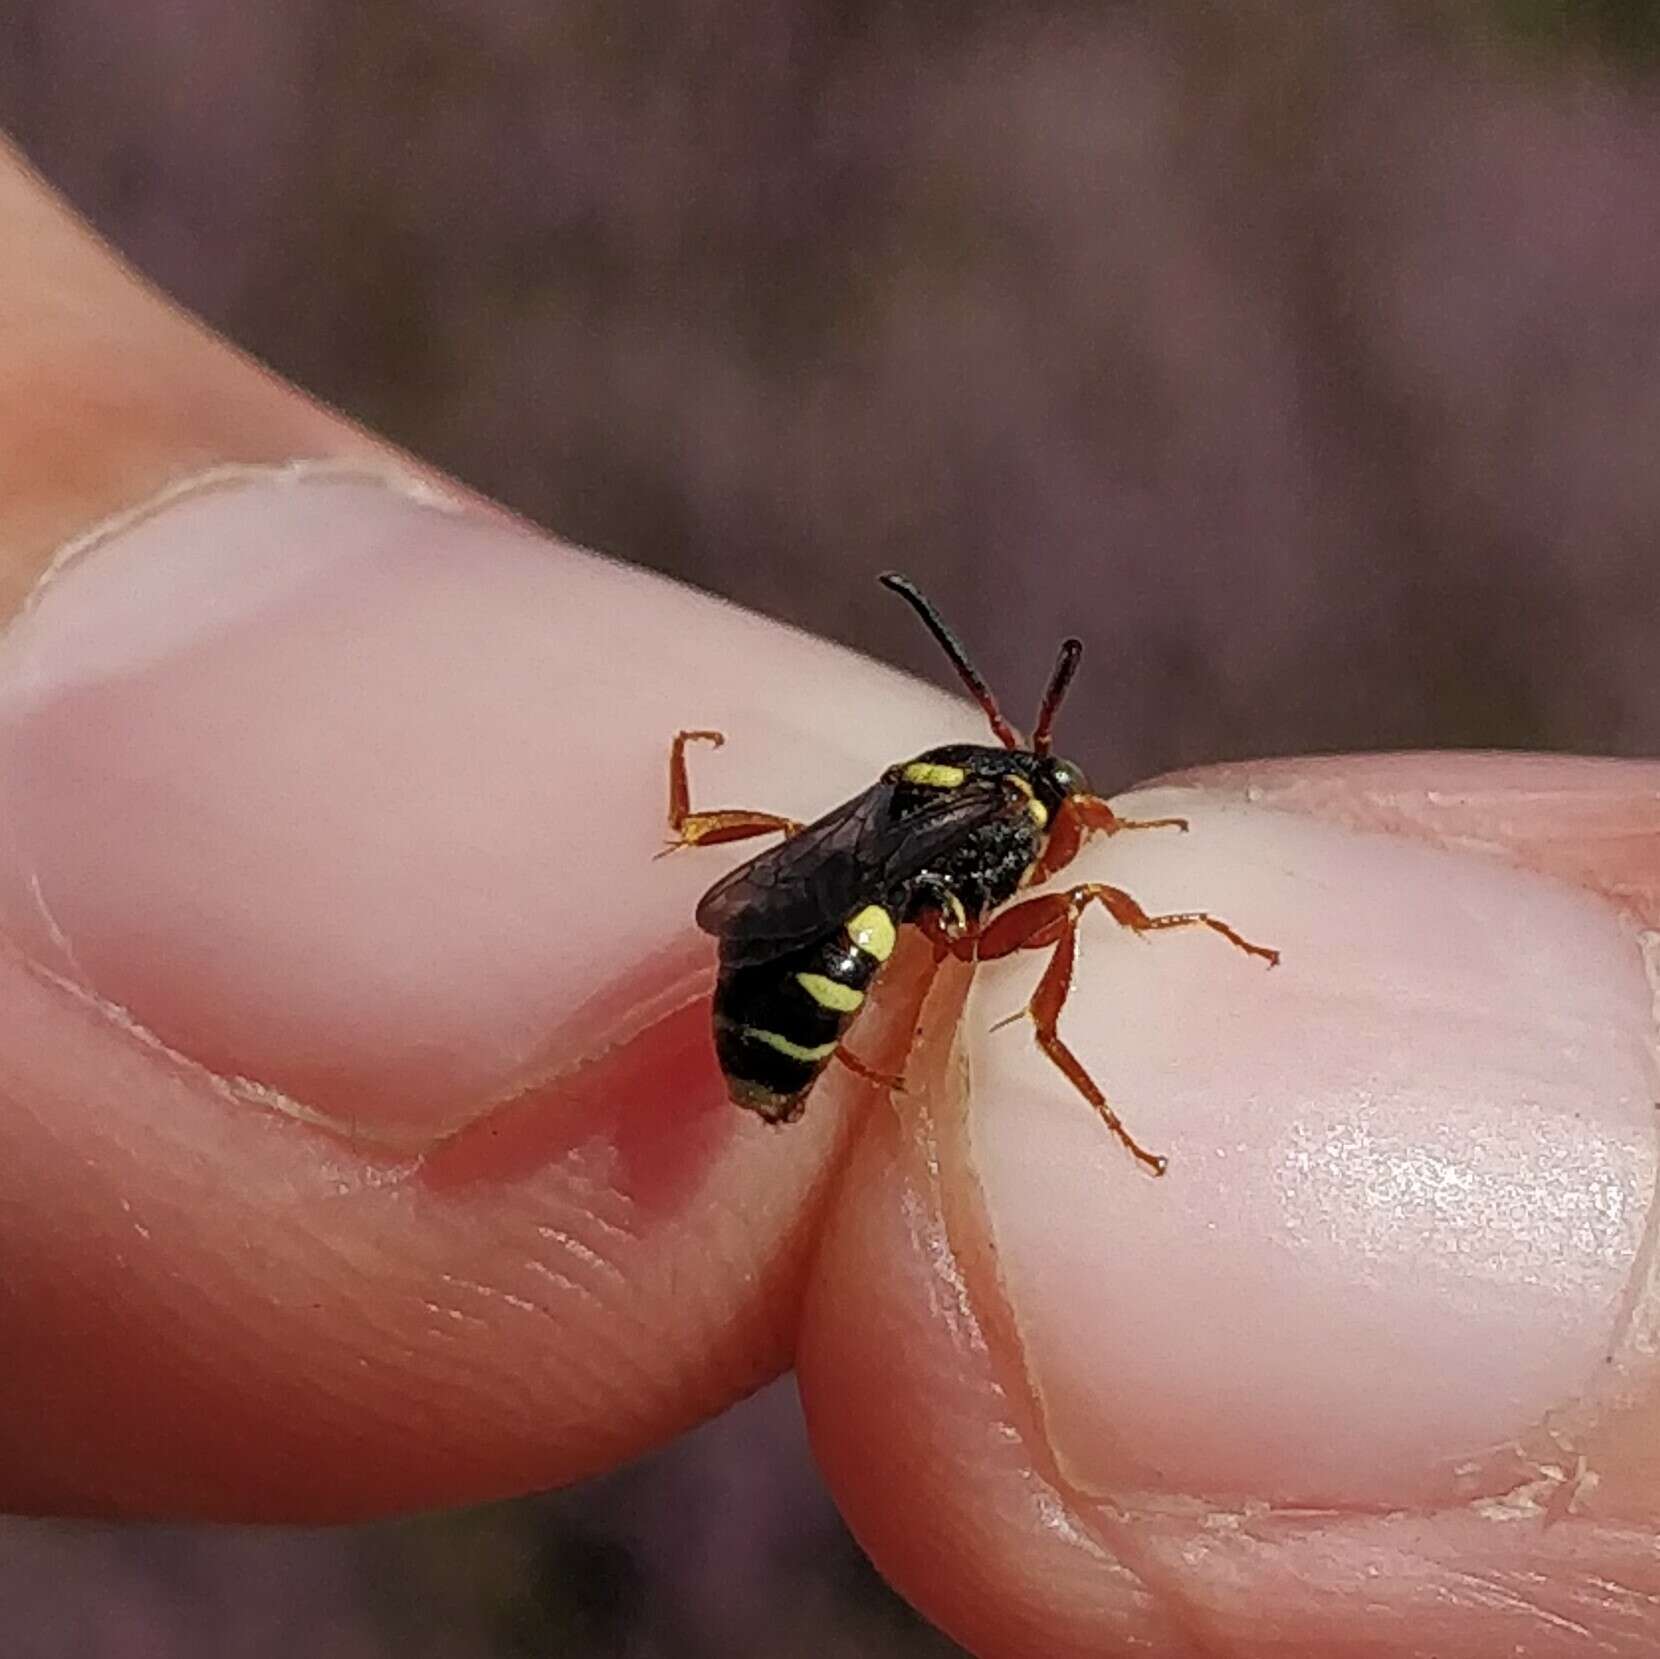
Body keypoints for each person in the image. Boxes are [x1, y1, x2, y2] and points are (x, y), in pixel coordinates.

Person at [0, 138, 1654, 1657]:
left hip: (801, 949)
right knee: (1009, 944)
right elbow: (932, 907)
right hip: (812, 978)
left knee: (889, 926)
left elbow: (815, 879)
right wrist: (1071, 982)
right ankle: (999, 1070)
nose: (1066, 814)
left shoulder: (939, 799)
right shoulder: (988, 835)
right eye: (1057, 797)